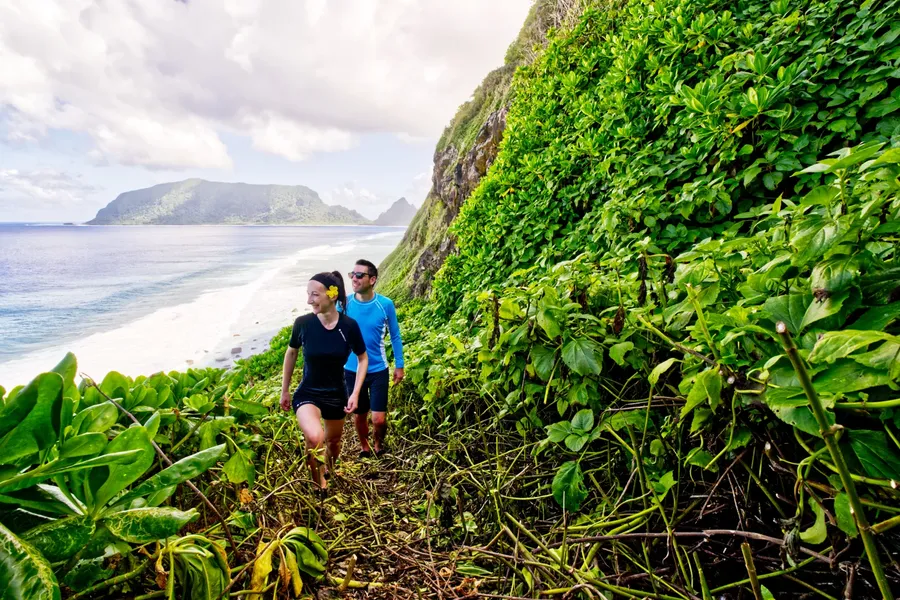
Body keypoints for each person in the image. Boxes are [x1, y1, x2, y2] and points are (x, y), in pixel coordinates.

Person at [280, 271, 368, 494]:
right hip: (308, 392)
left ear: (332, 295)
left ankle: (328, 468)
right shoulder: (303, 324)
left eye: (314, 295)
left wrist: (355, 393)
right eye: (308, 294)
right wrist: (285, 391)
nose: (309, 300)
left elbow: (362, 358)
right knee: (314, 437)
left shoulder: (349, 326)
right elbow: (291, 354)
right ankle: (319, 485)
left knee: (334, 443)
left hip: (337, 394)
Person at [343, 259, 405, 458]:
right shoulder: (344, 303)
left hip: (378, 369)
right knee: (359, 415)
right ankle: (365, 447)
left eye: (359, 275)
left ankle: (378, 443)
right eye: (352, 274)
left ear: (372, 279)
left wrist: (399, 365)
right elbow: (331, 330)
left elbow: (395, 335)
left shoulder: (385, 304)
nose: (354, 278)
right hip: (352, 369)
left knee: (378, 419)